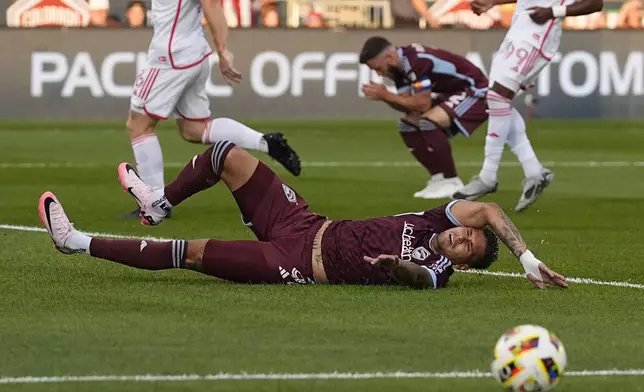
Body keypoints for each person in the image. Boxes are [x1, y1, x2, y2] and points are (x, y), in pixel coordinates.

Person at [38, 143, 567, 290]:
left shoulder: (437, 272)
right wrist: (526, 256)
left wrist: (391, 265)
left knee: (194, 254)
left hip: (292, 261)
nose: (459, 238)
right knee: (227, 155)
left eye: (467, 247)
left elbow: (413, 276)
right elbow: (492, 207)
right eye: (466, 233)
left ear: (466, 265)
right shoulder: (434, 218)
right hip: (307, 224)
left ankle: (75, 241)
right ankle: (160, 202)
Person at [124, 0, 301, 219]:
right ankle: (266, 142)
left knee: (139, 124)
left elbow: (211, 5)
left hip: (170, 57)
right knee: (194, 129)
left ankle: (153, 201)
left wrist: (223, 50)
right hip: (192, 54)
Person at [454, 0, 603, 211]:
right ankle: (535, 173)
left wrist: (552, 11)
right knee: (497, 100)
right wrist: (493, 3)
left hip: (537, 36)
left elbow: (596, 3)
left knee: (497, 97)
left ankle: (488, 176)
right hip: (519, 29)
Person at [359, 37, 489, 200]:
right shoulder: (399, 68)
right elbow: (407, 105)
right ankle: (438, 178)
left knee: (429, 121)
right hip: (453, 93)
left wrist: (387, 94)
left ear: (389, 57)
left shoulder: (415, 62)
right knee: (407, 125)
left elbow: (422, 104)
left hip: (477, 91)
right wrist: (386, 97)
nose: (378, 73)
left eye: (378, 68)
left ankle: (451, 180)